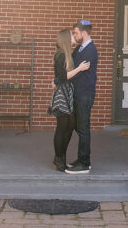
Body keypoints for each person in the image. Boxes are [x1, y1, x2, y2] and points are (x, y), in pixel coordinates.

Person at [51, 28, 89, 172]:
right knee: (62, 127)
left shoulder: (67, 54)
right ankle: (58, 158)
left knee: (70, 125)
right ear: (66, 39)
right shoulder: (60, 55)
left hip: (68, 92)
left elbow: (59, 77)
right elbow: (63, 77)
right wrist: (79, 68)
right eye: (71, 35)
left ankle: (61, 157)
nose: (74, 37)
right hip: (63, 94)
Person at [65, 19, 98, 174]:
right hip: (79, 93)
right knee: (79, 127)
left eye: (76, 33)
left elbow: (76, 71)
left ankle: (84, 163)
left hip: (84, 94)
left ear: (84, 33)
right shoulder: (79, 48)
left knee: (83, 128)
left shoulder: (90, 50)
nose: (75, 35)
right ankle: (83, 158)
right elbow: (70, 63)